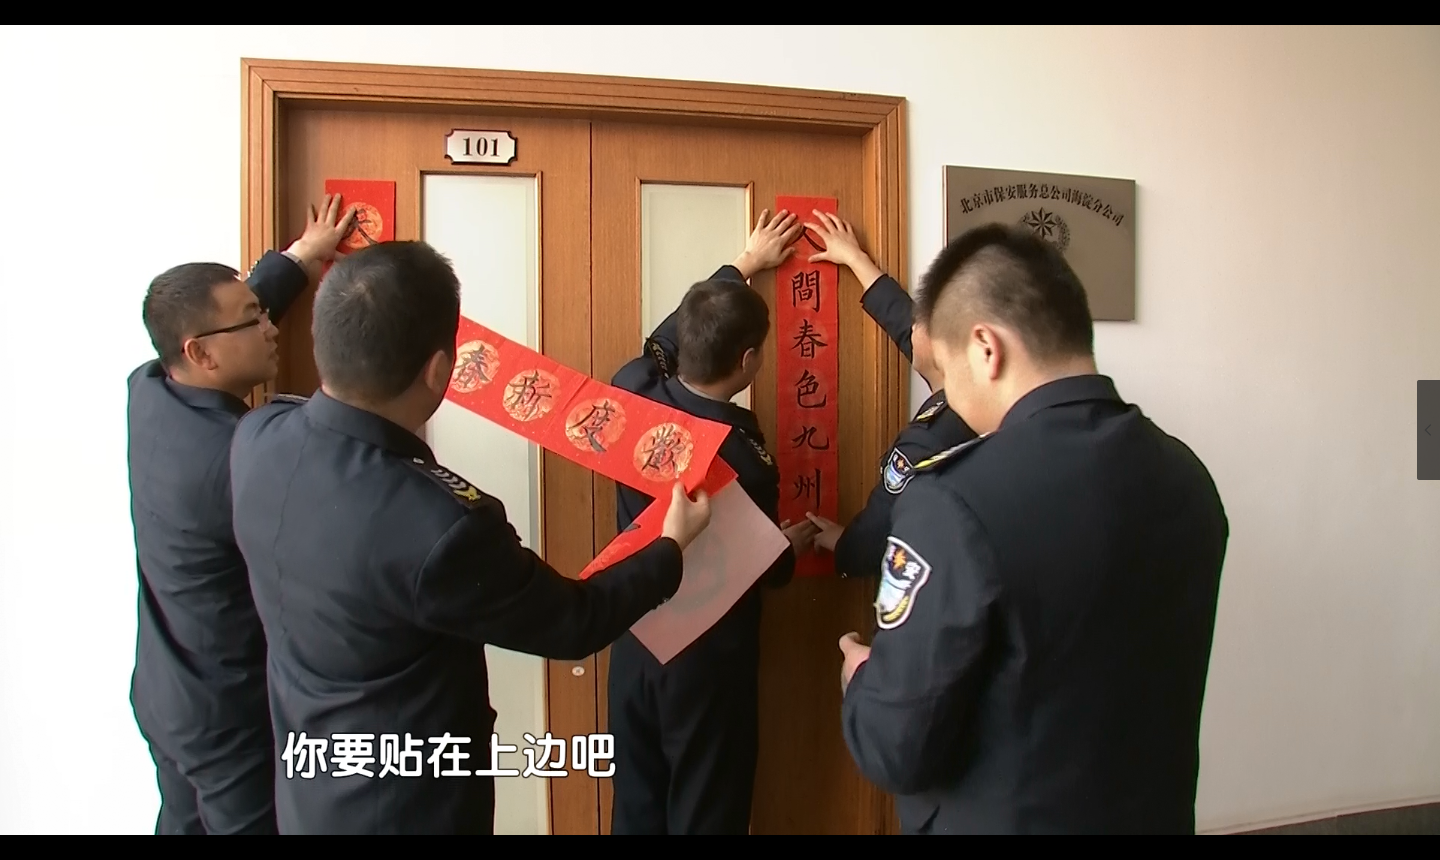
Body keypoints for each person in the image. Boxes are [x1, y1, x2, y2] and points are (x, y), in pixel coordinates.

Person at [228, 239, 713, 835]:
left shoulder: (259, 437)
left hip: (311, 794)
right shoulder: (441, 527)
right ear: (440, 371)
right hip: (404, 812)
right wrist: (670, 548)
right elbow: (575, 622)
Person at [837, 223, 1229, 834]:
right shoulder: (1186, 476)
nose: (950, 397)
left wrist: (862, 680)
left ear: (985, 348)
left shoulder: (952, 501)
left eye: (946, 372)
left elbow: (895, 747)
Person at [127, 193, 356, 835]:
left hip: (166, 694)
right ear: (200, 353)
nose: (272, 328)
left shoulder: (149, 389)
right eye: (254, 320)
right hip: (227, 714)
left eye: (261, 310)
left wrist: (300, 259)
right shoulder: (238, 459)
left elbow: (219, 321)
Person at [607, 209, 821, 835]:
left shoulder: (632, 389)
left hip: (634, 635)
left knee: (636, 808)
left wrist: (743, 264)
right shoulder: (744, 459)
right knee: (708, 814)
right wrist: (787, 544)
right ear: (749, 360)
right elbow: (766, 567)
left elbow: (666, 337)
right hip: (706, 662)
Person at [798, 210, 979, 580]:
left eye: (922, 323)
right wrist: (855, 259)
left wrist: (846, 545)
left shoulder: (932, 440)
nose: (913, 327)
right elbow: (900, 318)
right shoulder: (973, 383)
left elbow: (876, 537)